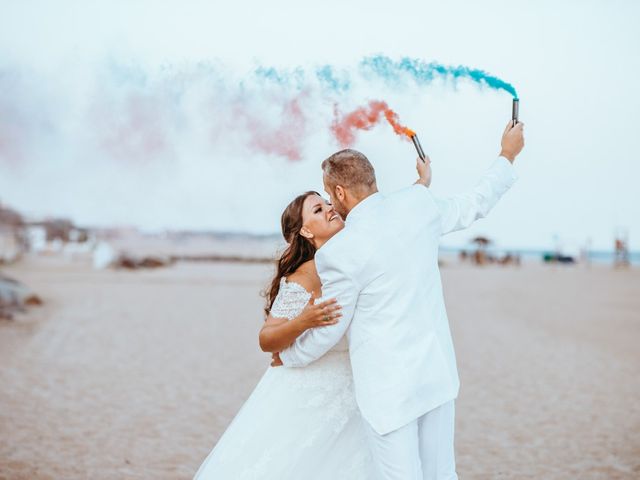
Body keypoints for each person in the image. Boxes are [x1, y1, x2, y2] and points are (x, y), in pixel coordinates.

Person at [275, 120, 525, 480]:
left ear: (341, 193)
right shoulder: (418, 203)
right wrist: (507, 154)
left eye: (330, 196)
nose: (330, 203)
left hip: (388, 391)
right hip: (436, 375)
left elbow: (332, 326)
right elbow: (475, 203)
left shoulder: (339, 253)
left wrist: (291, 355)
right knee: (442, 475)